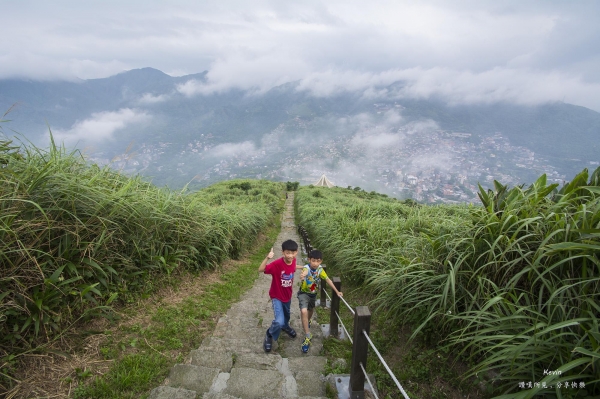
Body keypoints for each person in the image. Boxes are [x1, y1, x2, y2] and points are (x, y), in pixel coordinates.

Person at [258, 239, 303, 352]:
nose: (290, 255)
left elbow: (293, 267)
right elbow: (261, 269)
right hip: (276, 296)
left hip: (287, 296)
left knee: (286, 316)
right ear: (283, 252)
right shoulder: (277, 264)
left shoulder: (293, 260)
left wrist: (304, 267)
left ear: (296, 252)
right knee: (279, 320)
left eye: (293, 253)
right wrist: (268, 258)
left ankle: (285, 326)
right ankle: (269, 334)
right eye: (288, 253)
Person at [297, 249, 342, 353]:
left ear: (321, 261)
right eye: (313, 260)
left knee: (311, 309)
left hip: (313, 294)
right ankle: (308, 336)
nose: (315, 263)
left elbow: (328, 280)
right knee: (304, 311)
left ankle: (307, 322)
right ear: (309, 260)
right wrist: (302, 276)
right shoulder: (307, 268)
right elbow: (304, 273)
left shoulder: (320, 270)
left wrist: (337, 291)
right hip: (303, 294)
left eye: (317, 261)